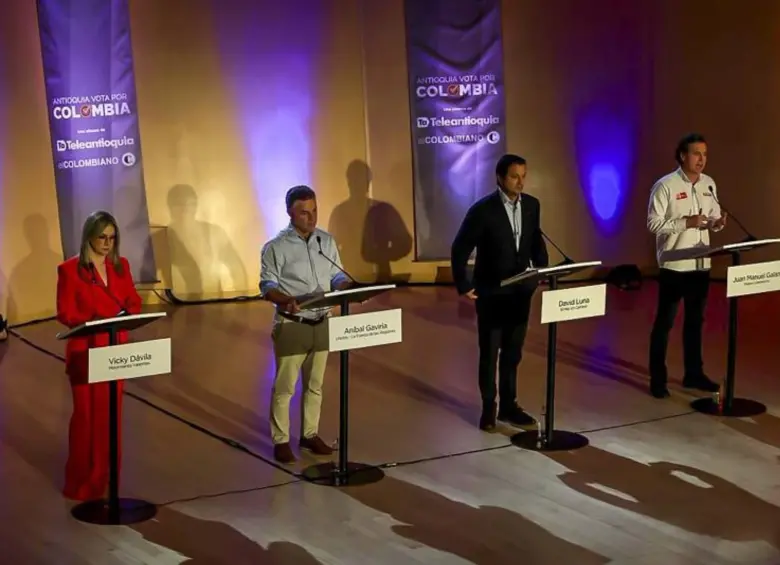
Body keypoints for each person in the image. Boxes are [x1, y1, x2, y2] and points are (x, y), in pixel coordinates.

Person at [451, 154, 549, 431]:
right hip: (492, 292)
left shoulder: (531, 205)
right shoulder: (482, 209)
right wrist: (464, 283)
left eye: (523, 176)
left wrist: (542, 270)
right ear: (500, 178)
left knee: (513, 352)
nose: (520, 182)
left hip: (520, 292)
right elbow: (460, 248)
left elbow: (534, 241)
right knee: (490, 352)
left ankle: (509, 405)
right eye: (514, 176)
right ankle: (488, 408)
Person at [260, 185, 351, 464]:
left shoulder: (326, 241)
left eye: (314, 211)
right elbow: (267, 286)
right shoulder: (275, 247)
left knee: (315, 385)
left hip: (322, 321)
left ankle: (309, 434)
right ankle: (281, 440)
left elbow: (336, 276)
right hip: (292, 323)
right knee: (285, 386)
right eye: (304, 213)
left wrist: (349, 287)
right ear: (289, 213)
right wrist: (286, 299)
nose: (311, 218)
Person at [56, 210, 142, 500]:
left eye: (112, 238)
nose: (107, 243)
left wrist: (126, 313)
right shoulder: (69, 270)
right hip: (85, 352)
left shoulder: (121, 266)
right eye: (102, 237)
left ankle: (103, 480)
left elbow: (133, 301)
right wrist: (93, 317)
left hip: (114, 351)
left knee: (109, 419)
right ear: (89, 237)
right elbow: (65, 312)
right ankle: (79, 482)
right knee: (85, 418)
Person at [647, 133, 726, 398]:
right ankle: (657, 379)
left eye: (705, 154)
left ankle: (694, 374)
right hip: (674, 265)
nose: (701, 159)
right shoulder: (665, 185)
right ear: (682, 155)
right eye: (696, 153)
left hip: (700, 263)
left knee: (695, 321)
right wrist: (686, 223)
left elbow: (712, 217)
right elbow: (654, 224)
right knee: (665, 322)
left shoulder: (709, 184)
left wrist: (717, 223)